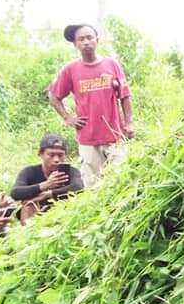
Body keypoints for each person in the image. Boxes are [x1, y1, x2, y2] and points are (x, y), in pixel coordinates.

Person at [48, 23, 134, 185]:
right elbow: (53, 96)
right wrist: (67, 118)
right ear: (75, 44)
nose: (86, 42)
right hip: (88, 139)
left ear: (97, 40)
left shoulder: (111, 64)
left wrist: (129, 123)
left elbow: (125, 95)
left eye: (89, 37)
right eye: (81, 39)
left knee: (120, 182)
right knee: (93, 186)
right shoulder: (70, 70)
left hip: (115, 136)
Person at [10, 134, 85, 224]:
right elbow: (15, 192)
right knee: (29, 206)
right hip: (35, 214)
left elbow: (78, 187)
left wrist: (49, 194)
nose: (56, 159)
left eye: (60, 155)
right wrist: (46, 185)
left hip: (64, 215)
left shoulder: (71, 171)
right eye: (51, 155)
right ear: (40, 154)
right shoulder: (29, 171)